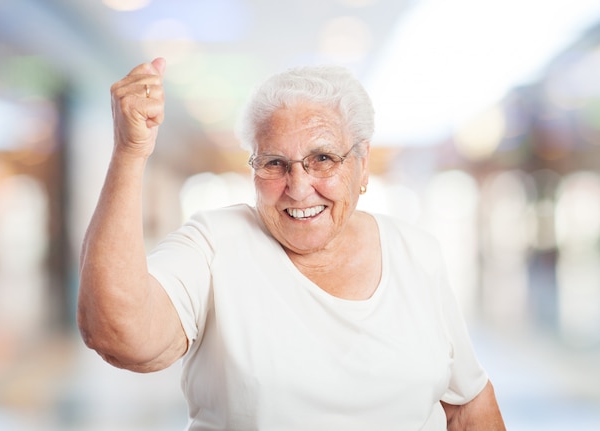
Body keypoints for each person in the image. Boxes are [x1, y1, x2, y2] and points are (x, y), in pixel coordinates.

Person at [77, 57, 506, 430]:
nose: (299, 188)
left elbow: (468, 407)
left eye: (322, 158)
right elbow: (120, 336)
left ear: (361, 166)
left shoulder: (416, 251)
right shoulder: (215, 244)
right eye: (275, 163)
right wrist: (130, 153)